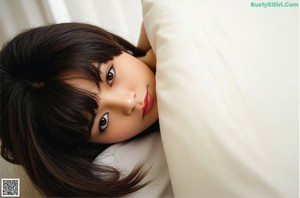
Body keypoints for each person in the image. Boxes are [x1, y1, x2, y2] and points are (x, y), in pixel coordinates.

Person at [0, 22, 160, 197]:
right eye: (103, 122)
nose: (129, 103)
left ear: (111, 45)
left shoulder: (162, 26)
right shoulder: (118, 170)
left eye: (110, 75)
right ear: (88, 145)